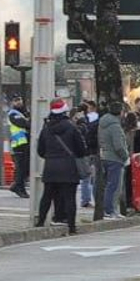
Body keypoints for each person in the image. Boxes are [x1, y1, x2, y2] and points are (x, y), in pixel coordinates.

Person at [34, 100, 87, 233]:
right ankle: (71, 227)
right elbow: (81, 150)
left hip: (50, 167)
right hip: (69, 167)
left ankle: (40, 223)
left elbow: (40, 150)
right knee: (70, 198)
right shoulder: (72, 127)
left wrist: (51, 156)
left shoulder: (46, 129)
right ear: (65, 112)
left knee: (47, 196)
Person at [97, 99, 130, 219]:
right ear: (120, 112)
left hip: (106, 156)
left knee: (110, 184)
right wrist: (125, 156)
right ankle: (110, 210)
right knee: (114, 186)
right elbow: (118, 146)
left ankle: (112, 210)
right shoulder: (115, 126)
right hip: (115, 158)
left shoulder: (103, 124)